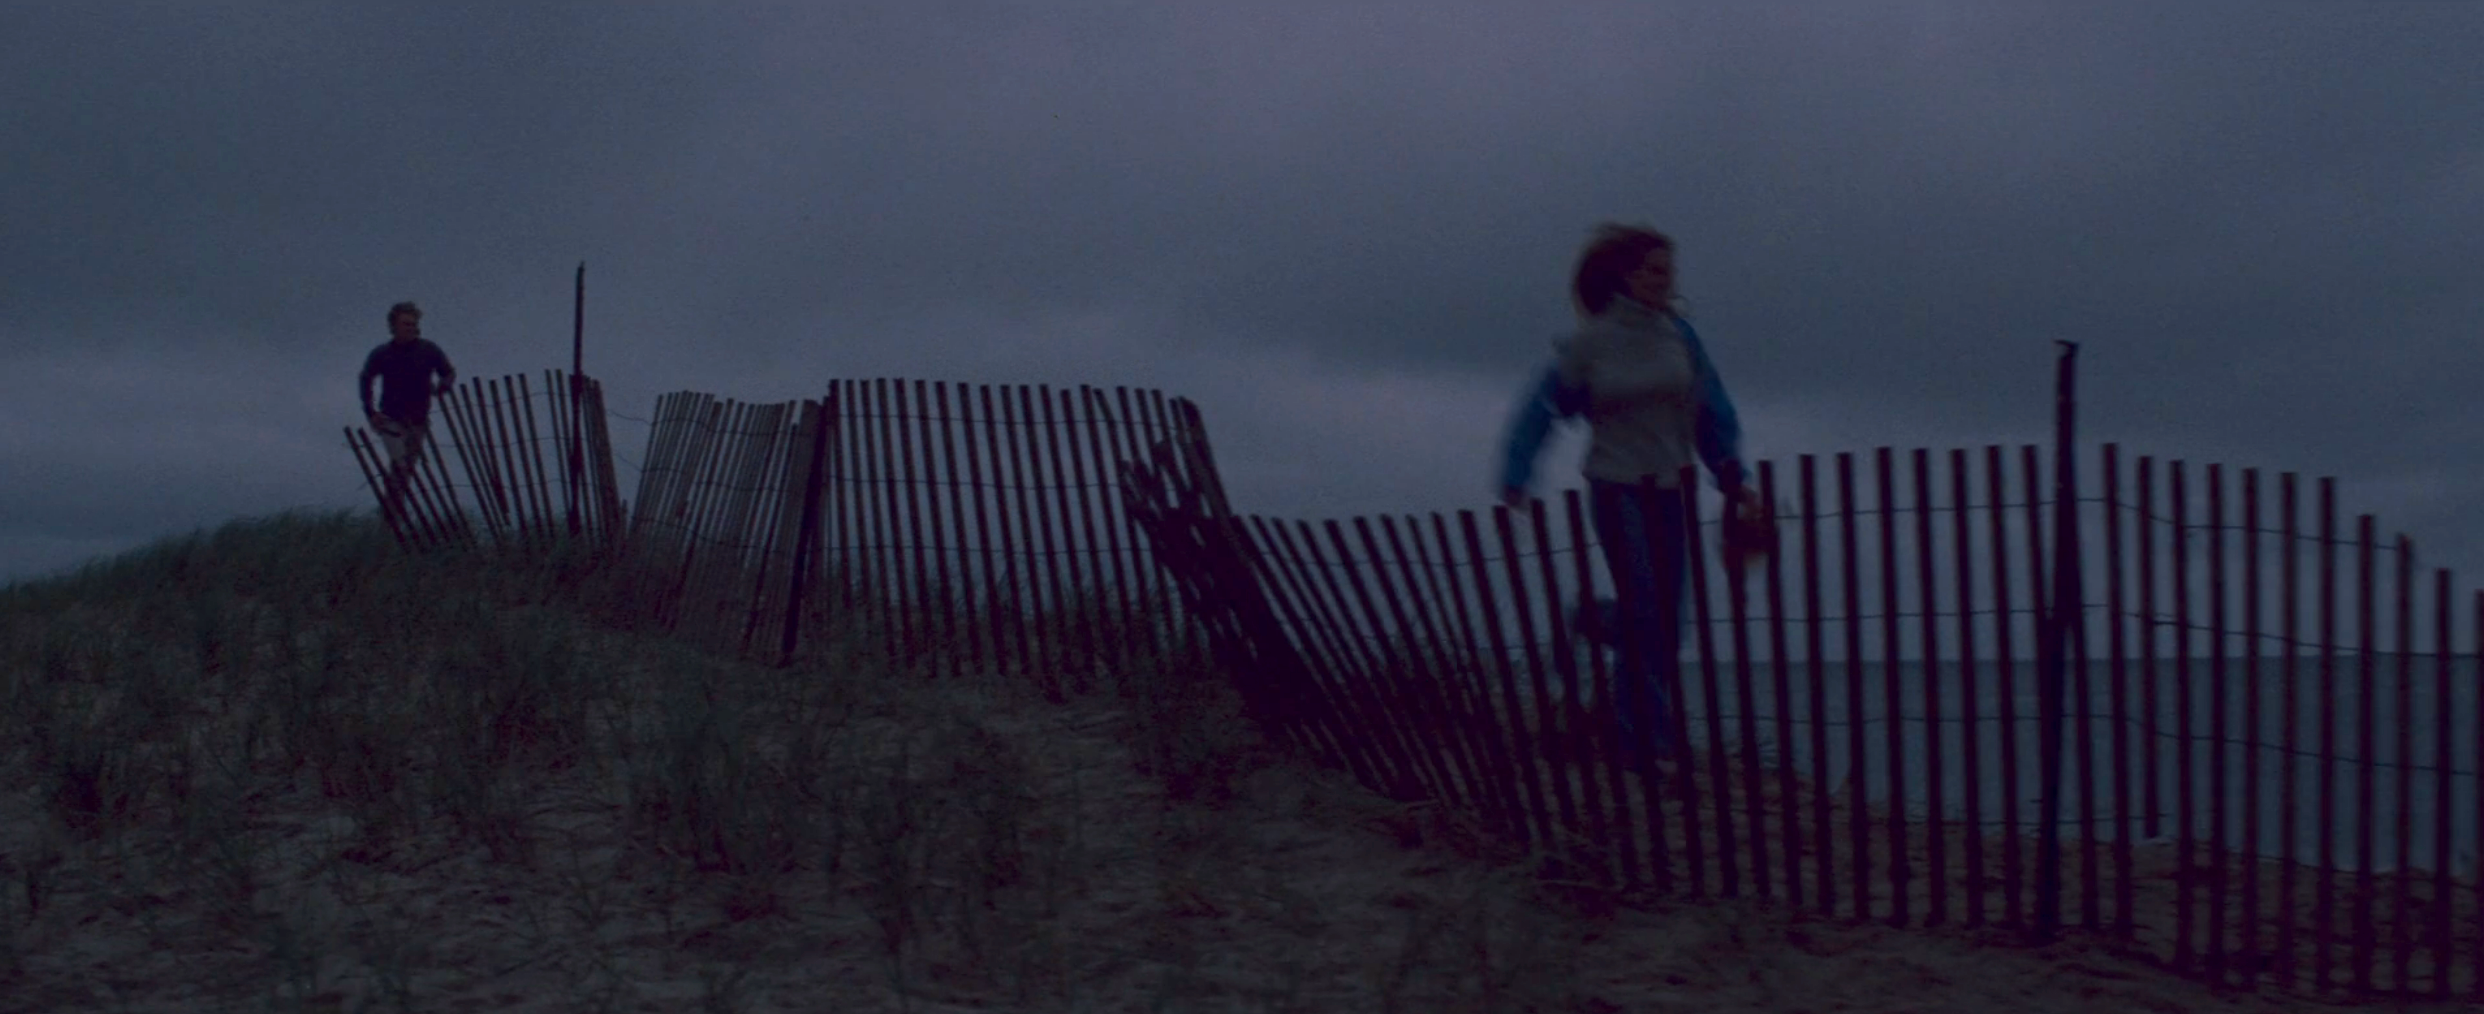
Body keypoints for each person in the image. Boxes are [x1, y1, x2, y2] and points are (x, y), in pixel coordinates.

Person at [1497, 223, 1760, 773]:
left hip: (1672, 489)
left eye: (1671, 271)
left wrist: (1730, 472)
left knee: (1669, 624)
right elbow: (1543, 407)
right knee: (1645, 616)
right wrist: (1518, 472)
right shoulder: (1590, 342)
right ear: (1625, 275)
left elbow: (1711, 407)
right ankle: (1645, 745)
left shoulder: (1680, 337)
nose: (1666, 281)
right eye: (1655, 270)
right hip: (1616, 487)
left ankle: (1592, 618)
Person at [359, 301, 458, 521]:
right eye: (406, 323)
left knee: (405, 471)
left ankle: (392, 515)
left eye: (414, 324)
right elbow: (366, 378)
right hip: (390, 419)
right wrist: (370, 412)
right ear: (393, 325)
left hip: (418, 421)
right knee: (400, 465)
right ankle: (392, 515)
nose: (411, 328)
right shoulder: (382, 354)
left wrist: (443, 387)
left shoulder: (428, 350)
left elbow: (448, 372)